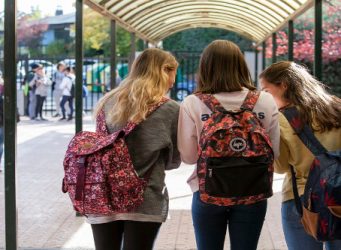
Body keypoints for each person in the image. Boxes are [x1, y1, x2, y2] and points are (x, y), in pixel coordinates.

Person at [177, 40, 280, 250]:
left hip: (208, 192)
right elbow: (274, 152)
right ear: (241, 65)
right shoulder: (265, 101)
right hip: (253, 191)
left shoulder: (193, 103)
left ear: (205, 67)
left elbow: (188, 157)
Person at [88, 48, 181, 250]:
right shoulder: (170, 109)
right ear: (165, 70)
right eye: (173, 73)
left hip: (104, 196)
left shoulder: (107, 102)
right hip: (145, 199)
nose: (174, 80)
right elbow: (174, 160)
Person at [259, 61, 341, 250]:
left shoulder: (280, 118)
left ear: (284, 85)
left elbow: (281, 167)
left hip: (302, 200)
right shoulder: (337, 107)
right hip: (338, 195)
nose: (265, 96)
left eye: (267, 91)